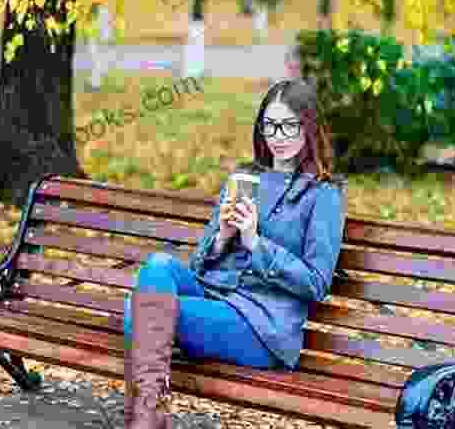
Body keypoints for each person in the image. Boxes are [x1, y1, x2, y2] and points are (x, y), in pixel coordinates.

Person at [123, 79, 347, 429]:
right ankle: (149, 417)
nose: (279, 135)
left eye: (289, 125)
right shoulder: (245, 177)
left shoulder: (323, 195)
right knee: (157, 266)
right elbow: (199, 266)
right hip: (216, 298)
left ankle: (146, 419)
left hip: (261, 326)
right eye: (270, 125)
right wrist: (223, 237)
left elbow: (317, 283)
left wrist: (256, 242)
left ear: (309, 127)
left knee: (140, 310)